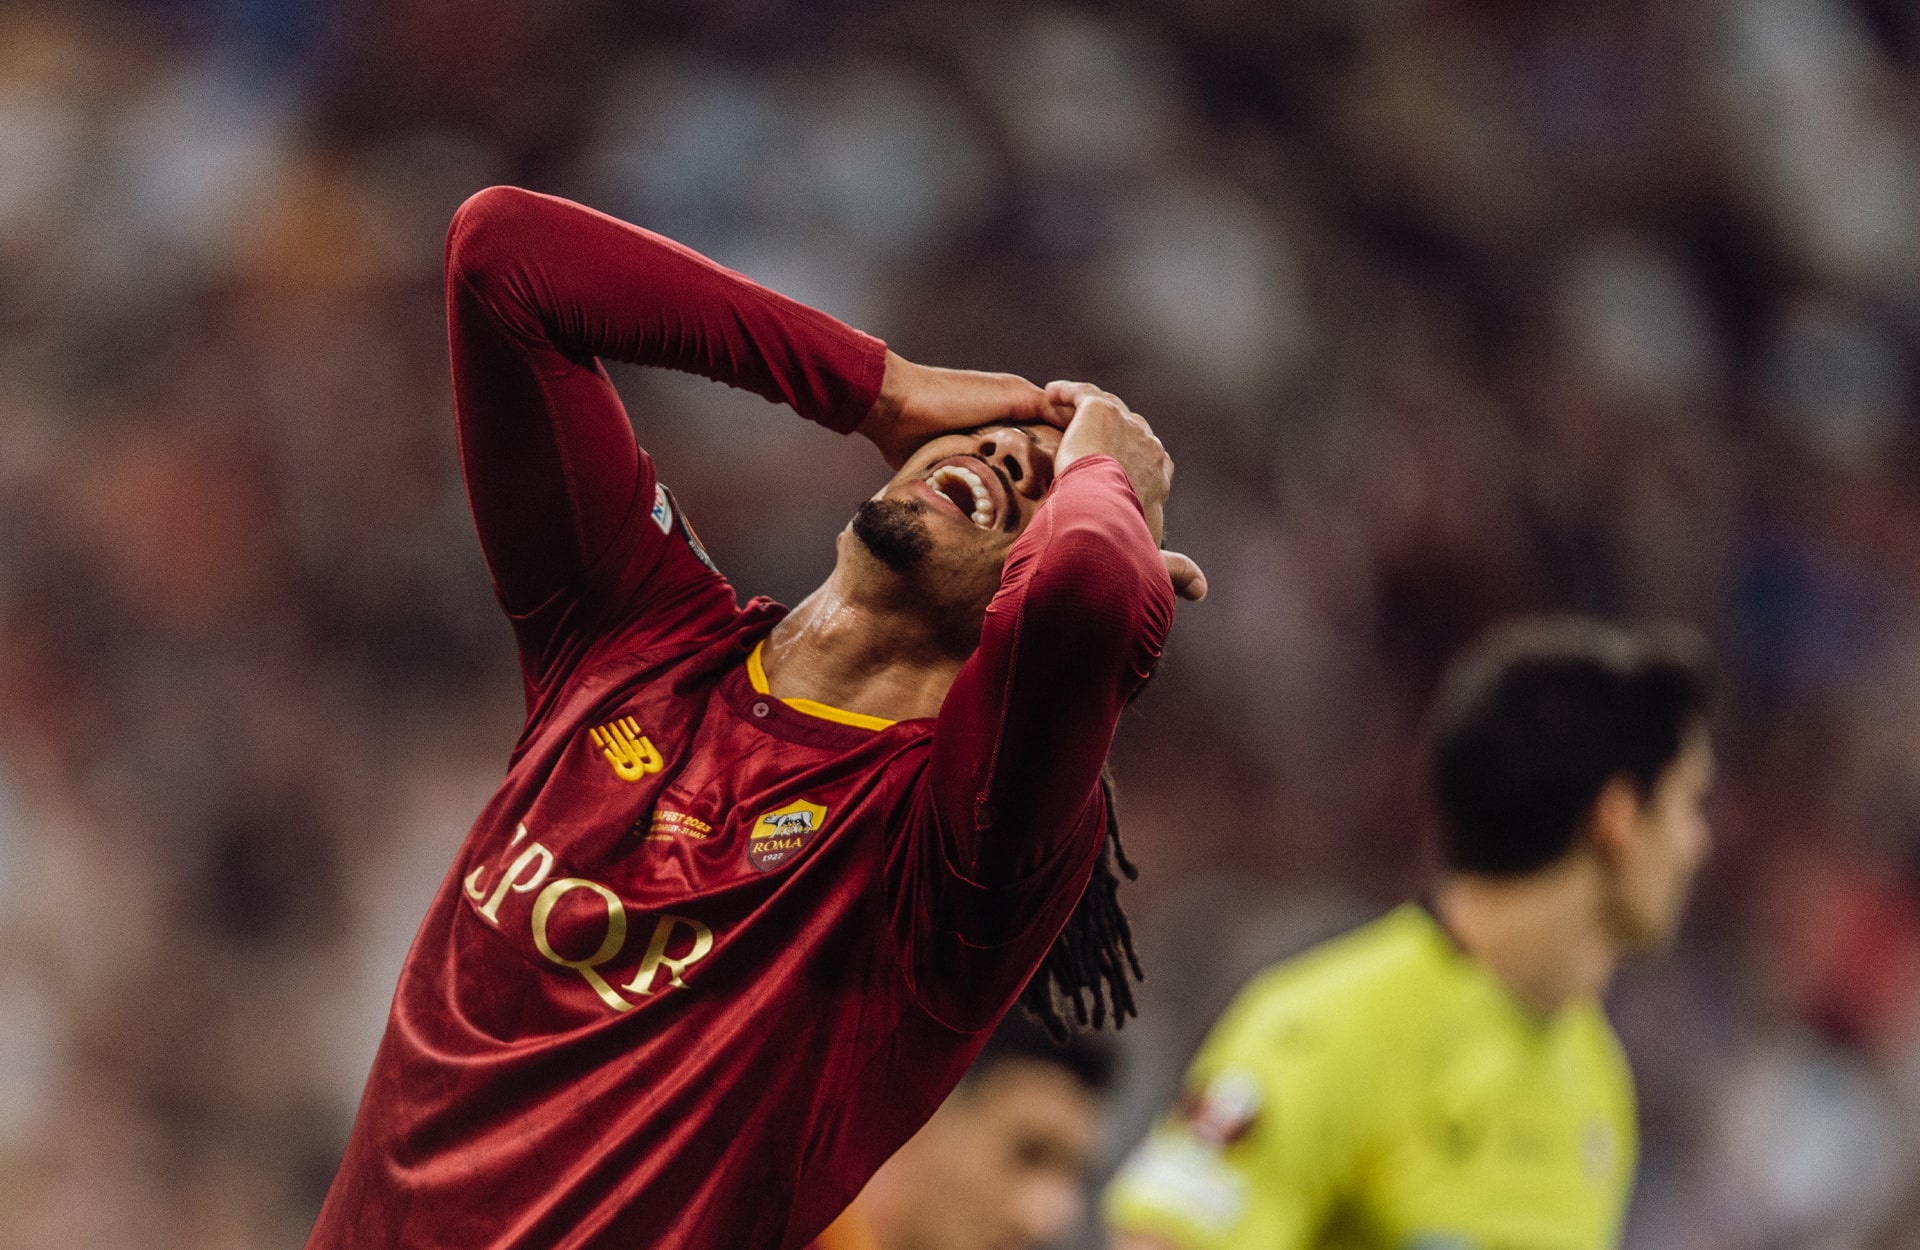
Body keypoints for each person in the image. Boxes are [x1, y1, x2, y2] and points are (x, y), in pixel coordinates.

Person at [305, 186, 1204, 1250]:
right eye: (999, 439)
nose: (1013, 459)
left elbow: (1086, 589)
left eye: (1042, 492)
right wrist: (879, 386)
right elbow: (505, 258)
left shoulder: (946, 853)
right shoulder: (637, 634)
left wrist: (1110, 481)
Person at [1104, 618, 1714, 1250]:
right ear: (1618, 819)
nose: (1698, 845)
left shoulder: (1595, 1076)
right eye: (1689, 805)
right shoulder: (1326, 1029)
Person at [812, 1013, 1116, 1250]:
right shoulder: (784, 1224)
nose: (1047, 1219)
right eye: (1028, 1154)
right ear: (913, 1123)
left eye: (1079, 1178)